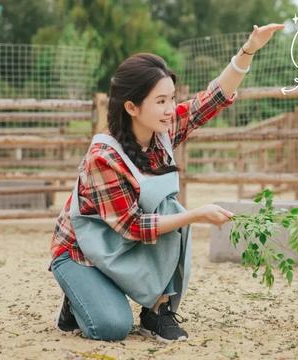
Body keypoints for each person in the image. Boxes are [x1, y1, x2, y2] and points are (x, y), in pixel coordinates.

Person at [48, 23, 285, 342]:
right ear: (132, 107)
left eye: (172, 99)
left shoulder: (162, 134)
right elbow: (133, 226)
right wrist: (196, 215)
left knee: (166, 205)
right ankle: (76, 301)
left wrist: (249, 50)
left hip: (122, 247)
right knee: (112, 328)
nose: (170, 110)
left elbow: (213, 98)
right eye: (160, 102)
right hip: (82, 253)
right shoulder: (104, 158)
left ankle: (158, 310)